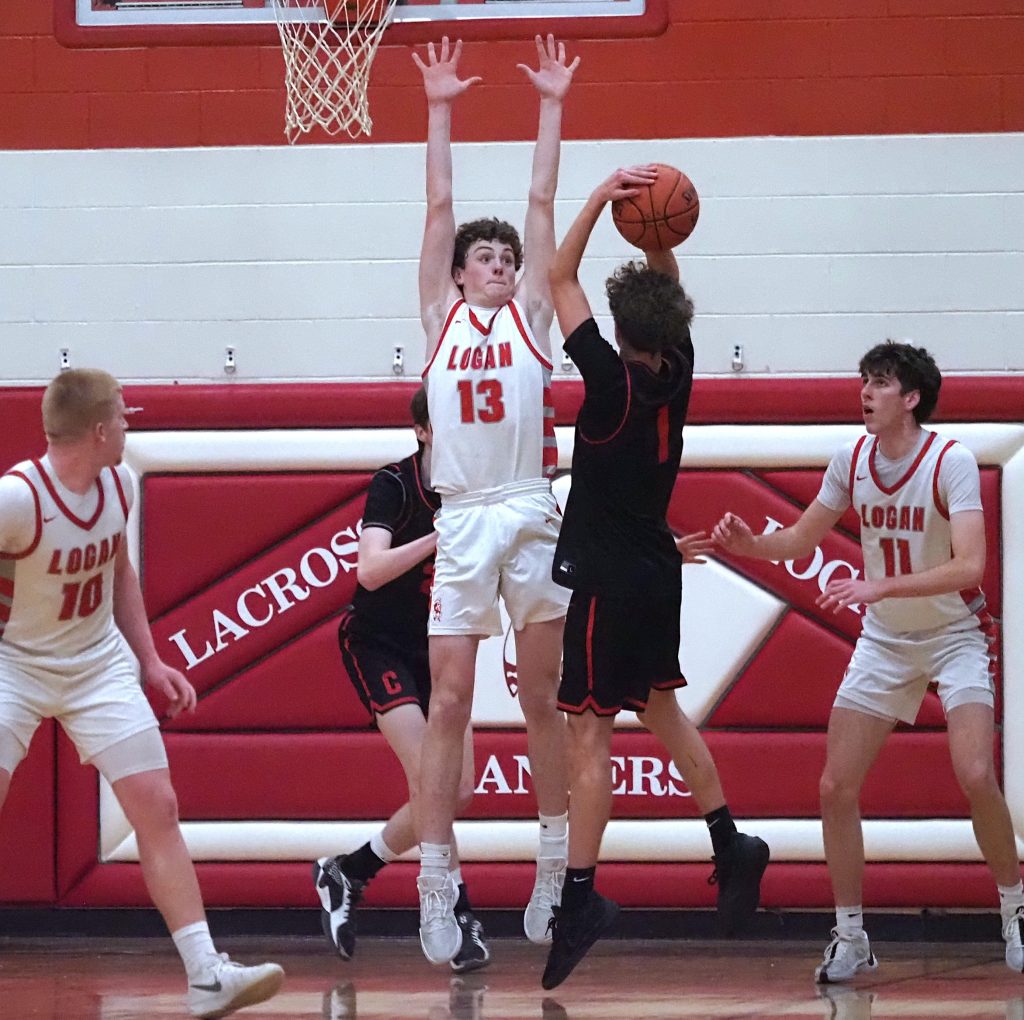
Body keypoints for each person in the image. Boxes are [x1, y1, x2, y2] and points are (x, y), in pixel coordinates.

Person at [712, 341, 1024, 982]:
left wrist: (877, 585)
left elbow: (970, 565)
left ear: (911, 398)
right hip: (885, 641)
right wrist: (749, 545)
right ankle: (851, 935)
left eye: (880, 383)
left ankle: (1014, 910)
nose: (865, 392)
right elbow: (799, 538)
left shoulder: (951, 461)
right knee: (834, 786)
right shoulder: (851, 459)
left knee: (974, 775)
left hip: (954, 634)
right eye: (864, 381)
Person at [540, 166, 770, 991]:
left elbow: (557, 276)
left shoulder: (608, 385)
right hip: (656, 568)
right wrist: (659, 241)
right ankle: (729, 840)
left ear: (619, 331)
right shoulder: (681, 365)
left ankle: (581, 897)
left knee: (589, 734)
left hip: (607, 578)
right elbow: (660, 292)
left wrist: (602, 201)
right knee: (663, 710)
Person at [0, 369, 284, 1019]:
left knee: (157, 803)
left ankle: (207, 973)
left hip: (95, 663)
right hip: (13, 664)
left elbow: (118, 569)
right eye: (124, 417)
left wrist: (150, 662)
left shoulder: (118, 485)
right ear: (99, 431)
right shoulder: (18, 499)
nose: (131, 426)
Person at [412, 34, 579, 964]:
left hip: (528, 504)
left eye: (506, 257)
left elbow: (542, 202)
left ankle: (552, 867)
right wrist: (440, 109)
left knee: (544, 694)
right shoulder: (437, 320)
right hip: (465, 515)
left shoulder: (532, 317)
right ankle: (437, 884)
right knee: (449, 702)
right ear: (459, 274)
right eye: (484, 256)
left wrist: (552, 104)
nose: (498, 262)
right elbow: (438, 204)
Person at [312, 387, 489, 973]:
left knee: (458, 791)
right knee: (432, 780)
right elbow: (369, 569)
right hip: (379, 642)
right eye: (445, 424)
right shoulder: (394, 482)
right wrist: (442, 535)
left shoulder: (478, 486)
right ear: (423, 431)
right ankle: (456, 915)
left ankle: (351, 870)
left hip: (441, 643)